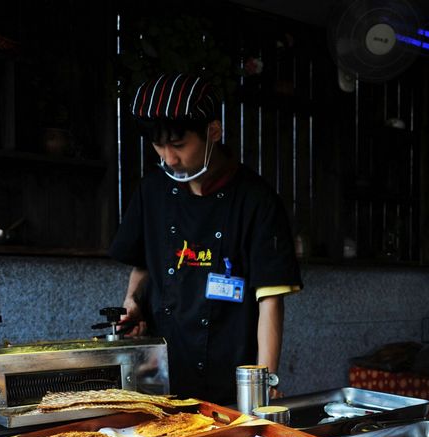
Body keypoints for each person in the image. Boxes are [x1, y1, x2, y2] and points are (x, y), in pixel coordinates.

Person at [109, 73, 302, 406]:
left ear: (213, 132)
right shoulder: (152, 191)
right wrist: (133, 305)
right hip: (159, 381)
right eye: (159, 145)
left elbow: (270, 300)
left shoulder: (256, 200)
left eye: (179, 145)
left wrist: (264, 383)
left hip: (229, 383)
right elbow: (144, 264)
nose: (168, 158)